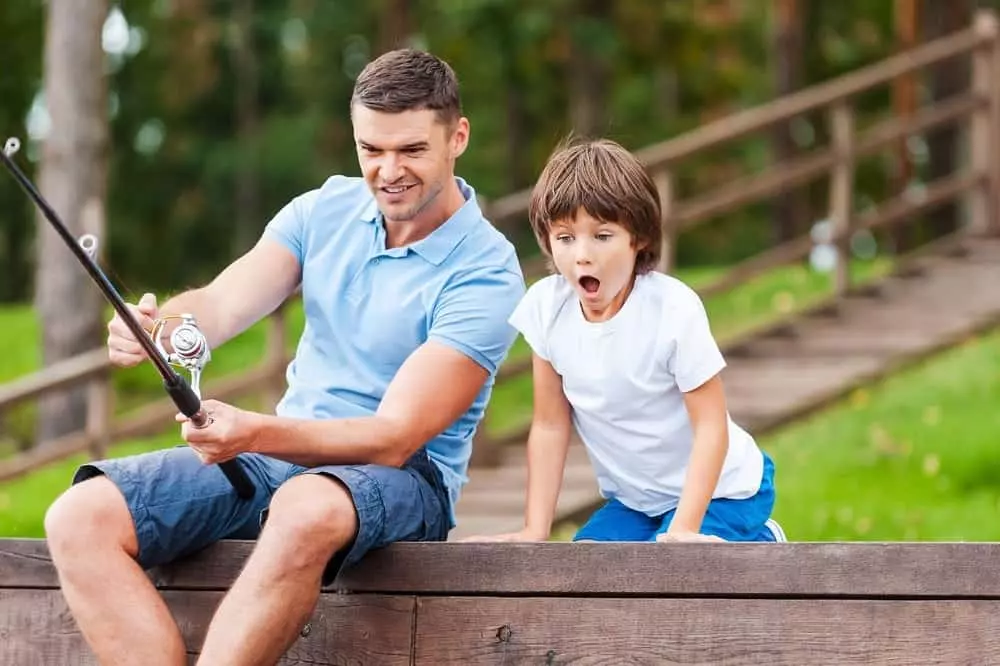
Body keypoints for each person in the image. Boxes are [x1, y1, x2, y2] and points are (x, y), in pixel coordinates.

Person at [43, 48, 525, 666]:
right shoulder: (322, 209)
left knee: (304, 507)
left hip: (408, 480)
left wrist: (251, 432)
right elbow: (219, 305)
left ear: (457, 137)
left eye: (410, 150)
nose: (388, 170)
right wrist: (158, 331)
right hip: (280, 455)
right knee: (79, 517)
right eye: (370, 150)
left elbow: (393, 438)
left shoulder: (487, 270)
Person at [464, 138, 785, 546]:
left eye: (602, 235)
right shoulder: (547, 309)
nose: (582, 255)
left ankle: (762, 542)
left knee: (664, 570)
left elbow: (710, 426)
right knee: (589, 567)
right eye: (565, 238)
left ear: (640, 239)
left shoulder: (672, 310)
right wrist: (534, 531)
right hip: (637, 502)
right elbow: (549, 424)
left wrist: (683, 529)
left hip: (725, 492)